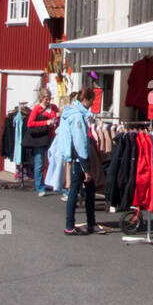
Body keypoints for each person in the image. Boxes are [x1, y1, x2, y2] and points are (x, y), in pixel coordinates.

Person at [61, 89, 105, 235]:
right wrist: (86, 167)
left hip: (75, 158)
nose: (93, 103)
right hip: (79, 159)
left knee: (88, 189)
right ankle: (70, 225)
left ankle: (89, 223)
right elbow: (80, 143)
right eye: (92, 100)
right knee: (75, 191)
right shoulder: (77, 117)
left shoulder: (72, 112)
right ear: (86, 100)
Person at [26, 88, 59, 196]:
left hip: (52, 137)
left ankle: (51, 183)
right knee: (39, 163)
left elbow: (58, 119)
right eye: (46, 99)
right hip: (40, 138)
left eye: (49, 99)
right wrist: (46, 122)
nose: (48, 101)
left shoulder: (54, 107)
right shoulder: (37, 108)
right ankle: (40, 187)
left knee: (52, 161)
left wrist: (56, 119)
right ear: (41, 98)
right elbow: (30, 124)